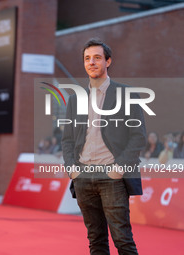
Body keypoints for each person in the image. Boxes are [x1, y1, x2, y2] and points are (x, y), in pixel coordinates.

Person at [62, 38, 146, 254]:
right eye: (87, 59)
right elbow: (68, 140)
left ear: (108, 61)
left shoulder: (126, 94)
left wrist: (119, 168)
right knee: (95, 240)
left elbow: (138, 137)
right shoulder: (75, 100)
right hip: (83, 178)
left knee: (123, 240)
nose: (92, 62)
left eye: (97, 58)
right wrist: (71, 168)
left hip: (112, 177)